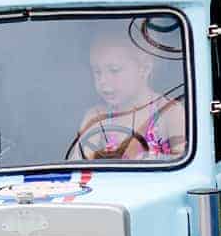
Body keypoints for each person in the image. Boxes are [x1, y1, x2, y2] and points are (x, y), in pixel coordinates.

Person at [68, 24, 186, 161]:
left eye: (114, 70)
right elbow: (79, 164)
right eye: (97, 72)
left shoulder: (170, 112)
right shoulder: (96, 117)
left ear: (145, 68)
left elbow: (185, 163)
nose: (103, 80)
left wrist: (150, 159)